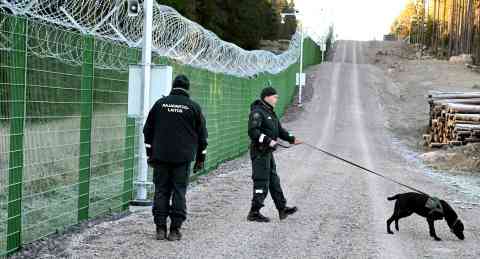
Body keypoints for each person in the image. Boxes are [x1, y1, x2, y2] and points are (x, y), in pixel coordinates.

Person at [143, 74, 208, 241]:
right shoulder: (193, 107)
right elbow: (202, 136)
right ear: (187, 89)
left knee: (161, 190)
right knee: (179, 191)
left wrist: (150, 152)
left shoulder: (160, 104)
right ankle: (174, 230)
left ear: (173, 86)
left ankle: (160, 229)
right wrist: (201, 158)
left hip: (161, 156)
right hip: (183, 158)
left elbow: (147, 130)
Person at [247, 86, 303, 222]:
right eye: (274, 97)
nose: (276, 99)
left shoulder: (270, 113)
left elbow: (279, 130)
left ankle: (282, 208)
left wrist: (292, 138)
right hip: (260, 152)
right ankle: (254, 212)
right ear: (266, 97)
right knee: (261, 181)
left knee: (274, 181)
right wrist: (268, 141)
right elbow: (253, 132)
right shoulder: (257, 112)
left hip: (268, 153)